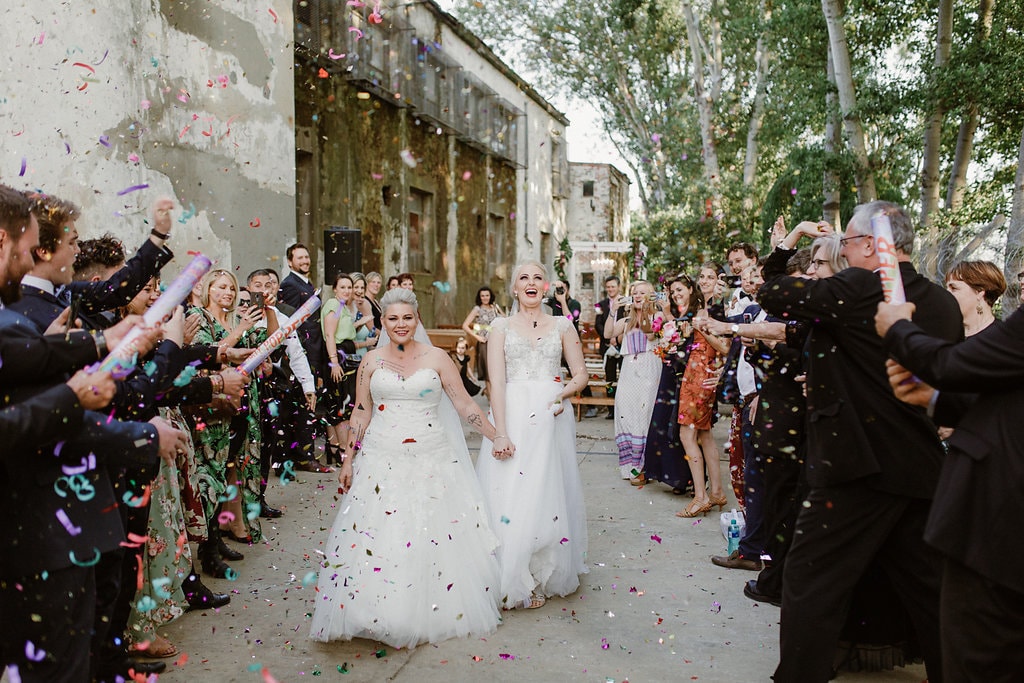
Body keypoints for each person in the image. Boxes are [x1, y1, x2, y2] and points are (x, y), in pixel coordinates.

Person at [759, 201, 962, 683]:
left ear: (874, 244)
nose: (843, 250)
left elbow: (772, 291)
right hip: (918, 465)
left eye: (848, 241)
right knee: (930, 592)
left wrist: (784, 246)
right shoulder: (941, 302)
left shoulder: (858, 287)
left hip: (855, 466)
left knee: (811, 583)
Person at [310, 288, 506, 648]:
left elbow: (464, 405)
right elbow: (361, 411)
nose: (400, 324)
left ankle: (425, 610)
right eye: (393, 318)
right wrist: (349, 458)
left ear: (417, 319)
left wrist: (497, 437)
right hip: (380, 458)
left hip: (432, 457)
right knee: (378, 534)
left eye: (407, 317)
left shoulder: (438, 358)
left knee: (431, 533)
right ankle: (372, 611)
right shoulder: (370, 361)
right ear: (382, 321)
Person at [876, 296, 1024, 683]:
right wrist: (935, 399)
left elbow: (951, 364)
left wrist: (897, 328)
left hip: (997, 529)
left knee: (977, 659)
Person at [476, 261, 589, 611]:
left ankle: (540, 572)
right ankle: (511, 570)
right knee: (511, 489)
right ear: (513, 289)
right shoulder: (499, 327)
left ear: (545, 287)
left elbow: (581, 374)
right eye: (523, 277)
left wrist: (560, 396)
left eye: (537, 277)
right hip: (512, 413)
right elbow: (496, 382)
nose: (530, 282)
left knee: (545, 489)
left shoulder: (562, 325)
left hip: (551, 414)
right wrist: (500, 432)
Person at [187, 269, 269, 576]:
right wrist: (242, 330)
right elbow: (209, 355)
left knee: (226, 472)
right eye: (222, 287)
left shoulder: (235, 320)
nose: (229, 293)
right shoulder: (198, 318)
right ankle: (207, 553)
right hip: (210, 407)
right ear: (208, 290)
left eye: (232, 289)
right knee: (208, 476)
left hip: (238, 405)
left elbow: (262, 343)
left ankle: (215, 538)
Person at [675, 263, 732, 518]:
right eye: (702, 276)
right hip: (695, 371)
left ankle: (700, 497)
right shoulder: (703, 306)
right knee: (705, 434)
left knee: (687, 435)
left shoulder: (719, 308)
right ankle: (717, 491)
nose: (705, 280)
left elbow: (726, 347)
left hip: (703, 375)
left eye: (711, 276)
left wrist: (704, 328)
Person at [642, 274, 697, 493]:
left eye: (679, 290)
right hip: (669, 369)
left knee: (681, 425)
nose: (675, 295)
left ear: (690, 289)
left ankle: (689, 478)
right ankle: (673, 477)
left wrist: (666, 314)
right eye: (672, 292)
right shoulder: (672, 312)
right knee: (665, 422)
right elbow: (656, 334)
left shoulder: (696, 312)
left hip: (687, 373)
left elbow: (686, 337)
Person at [605, 280, 662, 482]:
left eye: (642, 293)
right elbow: (607, 334)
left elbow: (650, 332)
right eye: (634, 293)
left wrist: (645, 310)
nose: (637, 296)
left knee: (644, 414)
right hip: (629, 369)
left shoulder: (658, 316)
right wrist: (614, 311)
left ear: (651, 295)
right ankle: (629, 464)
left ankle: (643, 467)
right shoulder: (627, 320)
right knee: (624, 410)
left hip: (649, 366)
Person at [320, 273, 360, 467]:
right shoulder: (333, 306)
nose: (347, 290)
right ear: (335, 289)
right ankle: (342, 450)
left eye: (349, 287)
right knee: (340, 404)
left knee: (341, 402)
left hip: (345, 355)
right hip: (337, 357)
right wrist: (334, 362)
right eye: (343, 287)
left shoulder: (343, 307)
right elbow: (329, 335)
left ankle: (335, 448)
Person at [461, 285, 503, 398]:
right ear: (480, 297)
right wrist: (478, 337)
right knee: (488, 373)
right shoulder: (477, 309)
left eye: (487, 295)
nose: (485, 298)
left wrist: (498, 310)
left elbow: (504, 320)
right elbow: (465, 325)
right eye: (482, 296)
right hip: (484, 342)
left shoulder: (495, 307)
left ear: (491, 296)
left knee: (497, 371)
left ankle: (489, 392)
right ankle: (491, 399)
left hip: (497, 342)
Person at [594, 274, 622, 418]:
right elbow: (597, 323)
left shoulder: (626, 303)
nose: (610, 289)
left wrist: (617, 338)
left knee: (623, 377)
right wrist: (609, 337)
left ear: (619, 287)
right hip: (607, 346)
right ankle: (611, 409)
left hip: (622, 346)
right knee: (610, 379)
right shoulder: (600, 305)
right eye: (608, 287)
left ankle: (622, 408)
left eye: (613, 286)